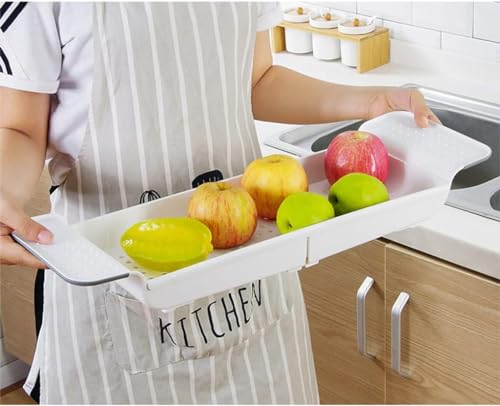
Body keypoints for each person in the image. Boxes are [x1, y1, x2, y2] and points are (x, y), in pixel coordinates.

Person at [0, 2, 439, 404]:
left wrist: (370, 101)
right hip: (117, 284)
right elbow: (20, 127)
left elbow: (257, 79)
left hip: (249, 286)